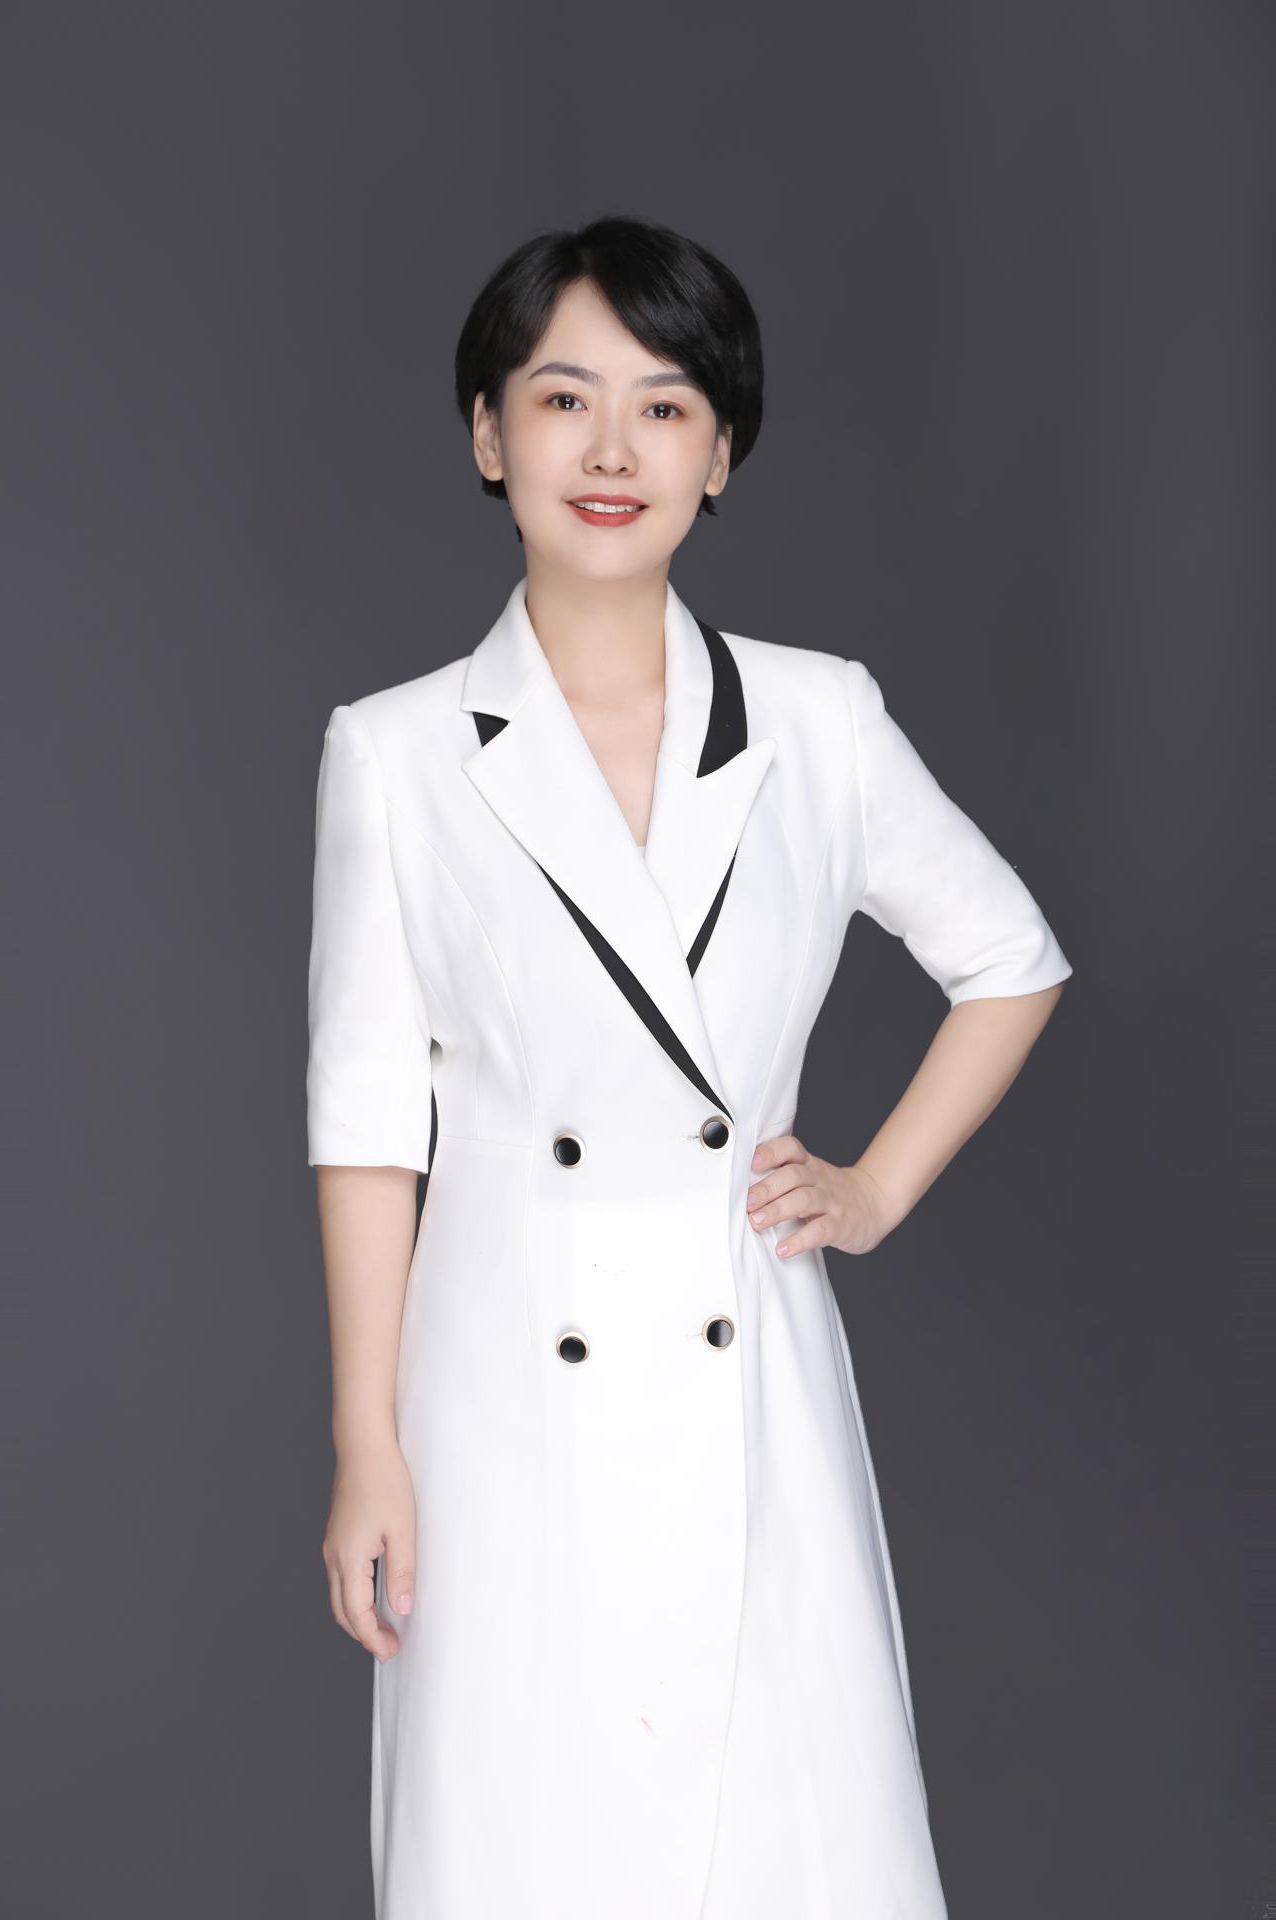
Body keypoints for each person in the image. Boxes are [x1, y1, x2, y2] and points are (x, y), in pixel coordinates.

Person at [306, 213, 1073, 1920]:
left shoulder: (817, 721)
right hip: (496, 1404)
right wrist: (368, 1442)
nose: (612, 450)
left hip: (752, 1381)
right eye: (562, 399)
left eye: (664, 406)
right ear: (488, 434)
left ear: (719, 454)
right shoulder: (396, 753)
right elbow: (367, 1121)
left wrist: (874, 1188)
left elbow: (1009, 958)